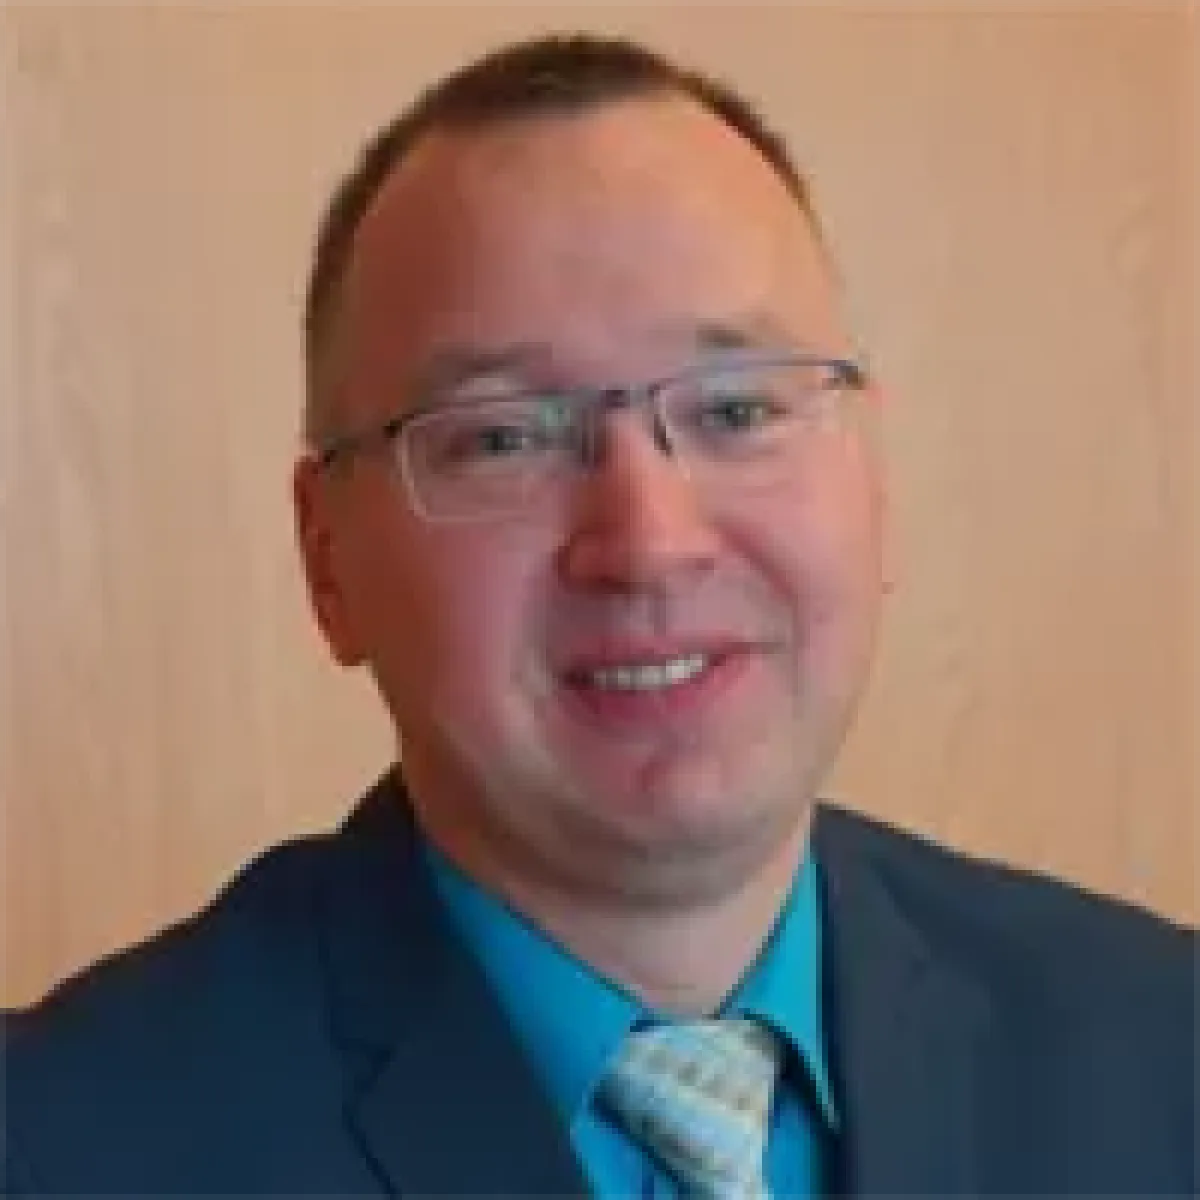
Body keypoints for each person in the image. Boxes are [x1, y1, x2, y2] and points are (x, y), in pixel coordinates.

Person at [0, 32, 1197, 1200]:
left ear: (872, 483)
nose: (650, 541)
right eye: (503, 438)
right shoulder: (59, 1147)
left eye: (737, 411)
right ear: (327, 561)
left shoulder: (1162, 1052)